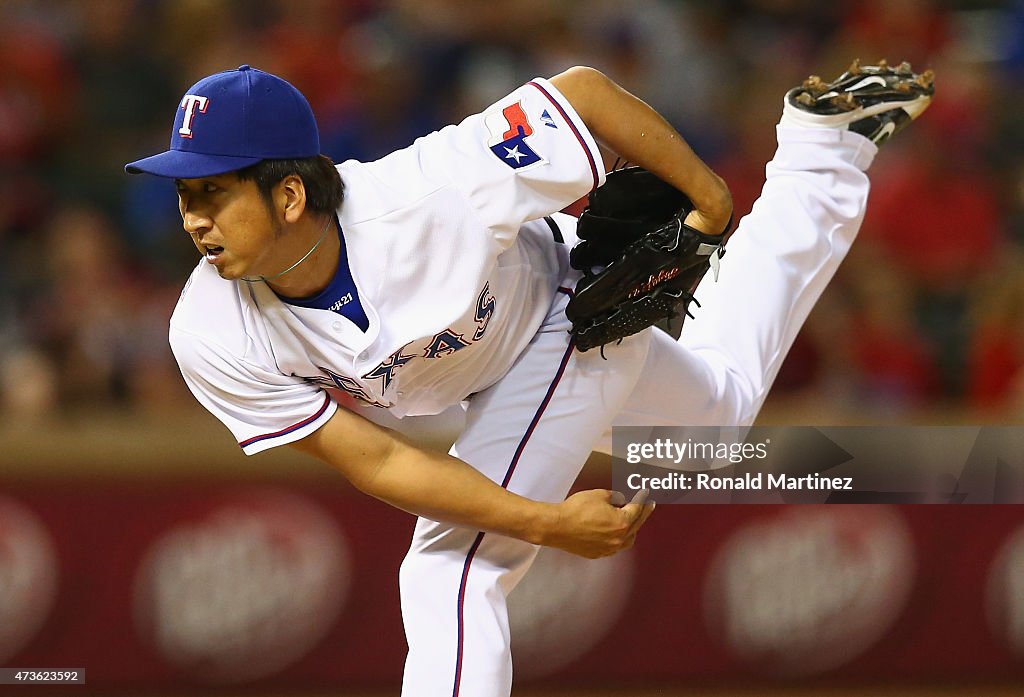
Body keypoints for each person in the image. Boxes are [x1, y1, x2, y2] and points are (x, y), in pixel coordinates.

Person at [125, 59, 933, 696]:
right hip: (487, 375)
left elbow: (580, 94)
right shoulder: (209, 330)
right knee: (712, 427)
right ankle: (825, 153)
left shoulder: (430, 193)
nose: (192, 214)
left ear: (290, 191)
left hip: (572, 313)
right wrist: (543, 523)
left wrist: (711, 201)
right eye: (186, 191)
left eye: (215, 190)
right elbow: (378, 462)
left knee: (451, 569)